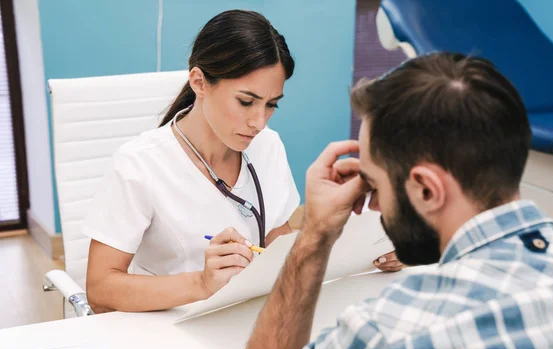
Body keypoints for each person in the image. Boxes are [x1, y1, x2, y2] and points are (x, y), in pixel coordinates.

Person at [236, 52, 553, 349]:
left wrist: (315, 235)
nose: (373, 204)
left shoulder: (393, 333)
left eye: (375, 184)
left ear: (427, 189)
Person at [83, 10, 401, 314]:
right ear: (199, 82)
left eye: (271, 105)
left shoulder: (267, 146)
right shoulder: (139, 165)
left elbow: (276, 238)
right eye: (246, 102)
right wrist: (201, 283)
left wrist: (364, 250)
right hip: (165, 325)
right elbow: (100, 290)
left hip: (243, 315)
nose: (259, 122)